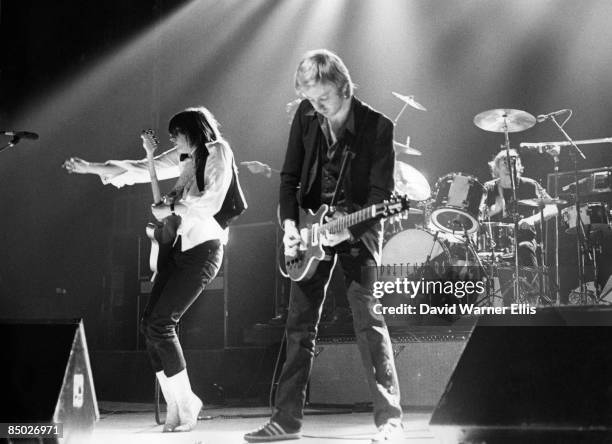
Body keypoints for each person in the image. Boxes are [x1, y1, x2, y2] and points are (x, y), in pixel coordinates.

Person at [245, 49, 403, 443]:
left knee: (368, 319)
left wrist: (347, 231)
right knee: (299, 323)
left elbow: (382, 196)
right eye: (310, 100)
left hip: (359, 227)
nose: (316, 108)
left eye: (323, 100)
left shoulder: (378, 128)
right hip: (308, 230)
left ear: (344, 88)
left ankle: (390, 421)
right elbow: (288, 178)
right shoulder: (305, 116)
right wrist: (288, 227)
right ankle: (285, 421)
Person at [63, 107, 236, 432]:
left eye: (177, 134)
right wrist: (90, 168)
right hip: (178, 250)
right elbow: (143, 168)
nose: (173, 140)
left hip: (205, 249)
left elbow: (212, 201)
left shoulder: (218, 151)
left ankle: (187, 404)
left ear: (193, 131)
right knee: (150, 324)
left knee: (162, 322)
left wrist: (171, 205)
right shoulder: (184, 155)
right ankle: (176, 405)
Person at [481, 149, 558, 267]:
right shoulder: (489, 187)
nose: (509, 167)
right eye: (505, 163)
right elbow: (477, 216)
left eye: (513, 163)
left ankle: (532, 283)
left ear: (518, 165)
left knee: (524, 248)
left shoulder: (530, 185)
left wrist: (532, 220)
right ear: (496, 168)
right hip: (494, 244)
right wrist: (493, 210)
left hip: (524, 239)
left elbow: (553, 208)